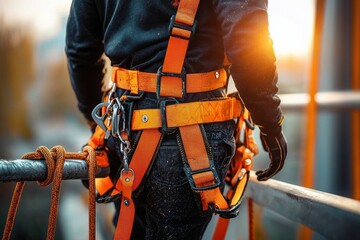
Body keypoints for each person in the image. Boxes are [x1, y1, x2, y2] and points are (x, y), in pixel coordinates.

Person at [65, 0, 287, 239]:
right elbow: (248, 41)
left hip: (122, 130)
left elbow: (80, 50)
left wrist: (96, 121)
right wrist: (269, 122)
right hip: (189, 138)